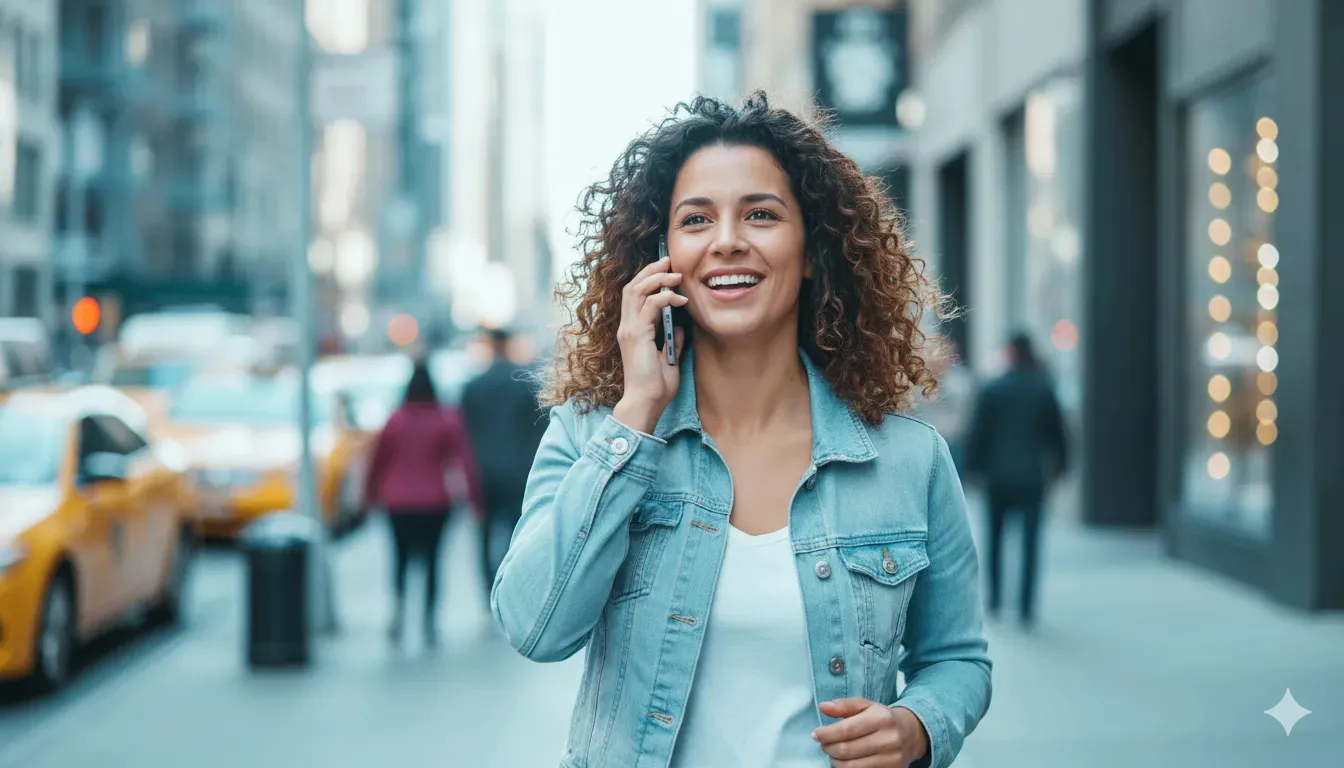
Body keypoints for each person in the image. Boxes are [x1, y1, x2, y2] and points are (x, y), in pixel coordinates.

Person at [491, 93, 991, 768]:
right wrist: (637, 413)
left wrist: (918, 726)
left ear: (812, 251)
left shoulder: (909, 459)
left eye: (761, 214)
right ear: (660, 257)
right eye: (696, 219)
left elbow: (957, 660)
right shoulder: (594, 434)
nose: (728, 239)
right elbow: (535, 627)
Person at [362, 359, 482, 648]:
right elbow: (464, 461)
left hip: (398, 502)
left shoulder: (396, 419)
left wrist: (367, 497)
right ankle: (429, 621)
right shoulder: (445, 418)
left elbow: (377, 462)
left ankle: (400, 610)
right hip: (435, 501)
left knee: (400, 558)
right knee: (432, 561)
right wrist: (475, 501)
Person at [964, 332, 1068, 629]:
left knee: (995, 539)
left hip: (997, 477)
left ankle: (995, 600)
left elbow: (978, 432)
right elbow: (1057, 434)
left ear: (1010, 353)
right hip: (1032, 477)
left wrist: (972, 469)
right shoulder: (1043, 387)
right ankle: (1026, 607)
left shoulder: (993, 388)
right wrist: (1060, 468)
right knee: (1030, 542)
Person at [460, 327, 549, 601]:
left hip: (482, 470)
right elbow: (539, 428)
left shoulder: (472, 387)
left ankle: (489, 590)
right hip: (518, 470)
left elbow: (462, 432)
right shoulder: (524, 384)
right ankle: (511, 588)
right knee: (516, 531)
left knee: (484, 532)